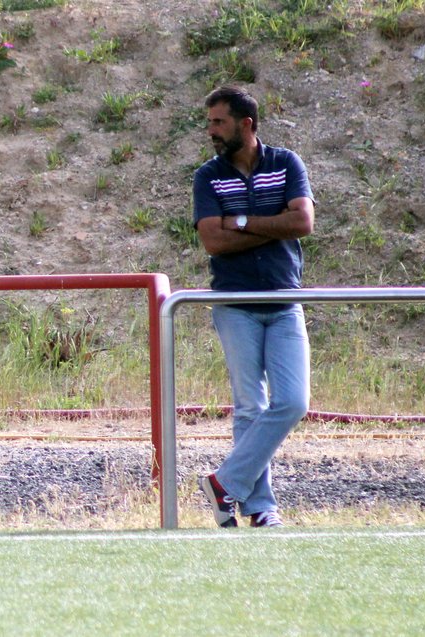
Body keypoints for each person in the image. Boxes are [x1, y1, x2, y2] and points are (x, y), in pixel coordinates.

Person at [192, 85, 315, 528]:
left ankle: (224, 483)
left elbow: (303, 222)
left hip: (284, 300)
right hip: (235, 303)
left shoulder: (286, 163)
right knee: (249, 406)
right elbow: (213, 240)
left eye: (218, 122)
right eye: (209, 122)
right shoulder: (208, 176)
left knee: (293, 401)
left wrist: (241, 222)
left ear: (246, 124)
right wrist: (274, 226)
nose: (211, 130)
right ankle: (260, 507)